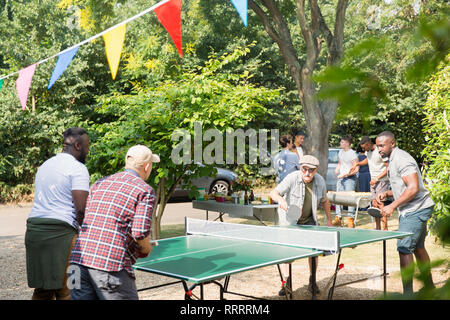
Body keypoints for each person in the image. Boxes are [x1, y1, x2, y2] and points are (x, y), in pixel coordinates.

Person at [69, 145, 159, 300]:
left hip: (76, 263)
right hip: (109, 266)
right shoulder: (144, 190)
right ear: (147, 166)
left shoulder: (100, 183)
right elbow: (139, 233)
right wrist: (146, 248)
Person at [25, 127, 90, 300]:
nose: (88, 151)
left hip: (35, 232)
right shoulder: (78, 168)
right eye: (87, 146)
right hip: (63, 235)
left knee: (42, 290)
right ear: (77, 145)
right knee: (71, 289)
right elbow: (81, 210)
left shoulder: (45, 165)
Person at [375, 131, 435, 295]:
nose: (379, 149)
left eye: (382, 145)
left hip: (416, 208)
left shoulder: (401, 159)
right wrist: (387, 194)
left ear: (392, 143)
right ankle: (430, 287)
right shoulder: (393, 159)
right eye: (377, 146)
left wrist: (392, 206)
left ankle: (407, 294)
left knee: (404, 247)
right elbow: (404, 187)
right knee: (418, 248)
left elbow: (413, 188)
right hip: (418, 207)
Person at [270, 155, 332, 297]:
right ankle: (286, 283)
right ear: (300, 167)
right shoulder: (292, 178)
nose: (307, 173)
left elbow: (325, 201)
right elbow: (274, 192)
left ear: (316, 170)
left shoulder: (320, 181)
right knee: (287, 254)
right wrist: (280, 199)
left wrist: (329, 219)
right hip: (290, 222)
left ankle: (312, 280)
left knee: (314, 252)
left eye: (311, 170)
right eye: (304, 169)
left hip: (309, 221)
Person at [353, 136, 390, 230]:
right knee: (374, 205)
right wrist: (358, 164)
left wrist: (377, 178)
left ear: (368, 144)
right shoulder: (367, 152)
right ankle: (378, 228)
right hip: (373, 181)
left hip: (381, 181)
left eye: (364, 147)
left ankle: (385, 229)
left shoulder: (380, 151)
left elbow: (388, 168)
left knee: (380, 204)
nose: (363, 149)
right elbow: (368, 160)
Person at [332, 135, 359, 228]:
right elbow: (340, 162)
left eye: (342, 142)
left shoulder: (352, 154)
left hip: (350, 179)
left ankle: (350, 220)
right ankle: (338, 218)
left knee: (350, 199)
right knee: (337, 198)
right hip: (341, 178)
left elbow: (356, 169)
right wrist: (337, 169)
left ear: (347, 143)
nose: (340, 143)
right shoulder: (340, 152)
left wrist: (346, 174)